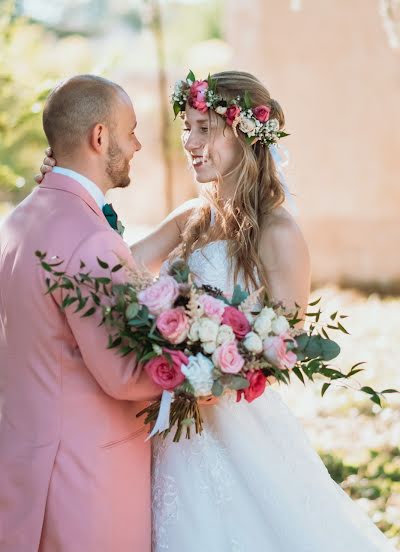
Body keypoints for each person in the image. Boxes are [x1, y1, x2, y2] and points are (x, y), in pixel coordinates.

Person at [37, 71, 395, 551]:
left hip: (237, 428)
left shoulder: (278, 233)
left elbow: (283, 346)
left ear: (245, 134)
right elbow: (115, 268)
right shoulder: (191, 217)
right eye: (187, 127)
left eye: (204, 128)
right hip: (169, 425)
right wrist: (72, 196)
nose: (190, 141)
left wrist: (215, 364)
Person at [0, 75, 163, 552]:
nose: (136, 145)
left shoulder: (19, 219)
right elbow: (126, 374)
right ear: (99, 137)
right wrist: (203, 367)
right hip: (86, 483)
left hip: (24, 465)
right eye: (131, 131)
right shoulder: (92, 239)